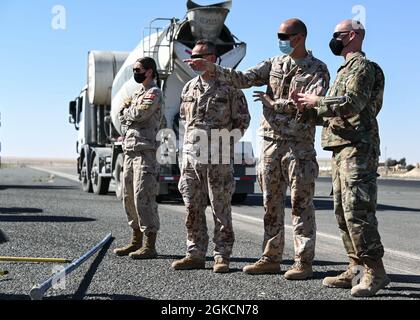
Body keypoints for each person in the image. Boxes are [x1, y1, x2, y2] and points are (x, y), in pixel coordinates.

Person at [185, 19, 330, 280]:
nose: (280, 40)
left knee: (300, 204)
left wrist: (274, 104)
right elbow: (243, 79)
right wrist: (212, 67)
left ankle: (303, 262)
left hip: (299, 147)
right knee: (270, 204)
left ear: (299, 37)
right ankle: (271, 257)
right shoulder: (273, 64)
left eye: (283, 35)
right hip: (271, 144)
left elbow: (308, 104)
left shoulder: (318, 69)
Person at [298, 20, 390, 297]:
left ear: (351, 36)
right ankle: (355, 266)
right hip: (341, 146)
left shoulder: (361, 67)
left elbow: (353, 103)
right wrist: (303, 108)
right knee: (342, 211)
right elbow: (333, 112)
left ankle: (376, 271)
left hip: (358, 147)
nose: (332, 39)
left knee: (357, 211)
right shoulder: (344, 70)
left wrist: (318, 101)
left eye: (336, 35)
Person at [172, 40, 251, 273]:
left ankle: (222, 255)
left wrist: (224, 144)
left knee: (220, 208)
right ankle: (195, 253)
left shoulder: (229, 88)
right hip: (191, 158)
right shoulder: (188, 87)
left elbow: (243, 121)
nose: (192, 60)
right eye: (191, 56)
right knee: (192, 207)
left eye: (198, 56)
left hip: (218, 157)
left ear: (212, 58)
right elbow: (185, 122)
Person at [113, 57, 163, 260]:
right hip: (130, 151)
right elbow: (122, 117)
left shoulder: (154, 93)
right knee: (128, 196)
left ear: (149, 71)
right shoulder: (137, 93)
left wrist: (127, 112)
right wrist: (127, 113)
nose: (136, 72)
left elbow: (139, 114)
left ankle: (150, 244)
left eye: (138, 69)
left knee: (143, 195)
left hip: (146, 151)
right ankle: (136, 241)